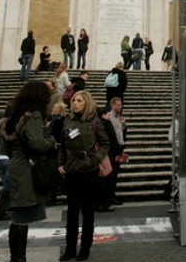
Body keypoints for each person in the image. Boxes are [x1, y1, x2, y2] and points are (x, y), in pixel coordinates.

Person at [2, 80, 57, 262]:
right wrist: (51, 142)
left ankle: (17, 256)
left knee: (19, 214)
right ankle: (18, 258)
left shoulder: (18, 113)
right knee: (20, 216)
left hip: (18, 164)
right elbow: (37, 142)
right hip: (26, 166)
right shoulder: (34, 115)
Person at [58, 91, 109, 261]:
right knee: (72, 212)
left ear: (86, 103)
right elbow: (62, 145)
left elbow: (105, 144)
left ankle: (85, 248)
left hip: (88, 170)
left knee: (87, 211)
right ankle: (70, 248)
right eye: (73, 100)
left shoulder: (95, 121)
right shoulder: (67, 121)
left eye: (79, 101)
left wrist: (94, 160)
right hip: (71, 170)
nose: (75, 103)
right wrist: (60, 164)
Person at [98, 96, 127, 212]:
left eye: (121, 105)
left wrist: (124, 126)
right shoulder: (107, 118)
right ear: (112, 105)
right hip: (111, 150)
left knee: (115, 173)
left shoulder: (120, 118)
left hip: (120, 148)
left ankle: (112, 196)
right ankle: (106, 198)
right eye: (118, 105)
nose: (120, 107)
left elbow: (121, 133)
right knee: (109, 174)